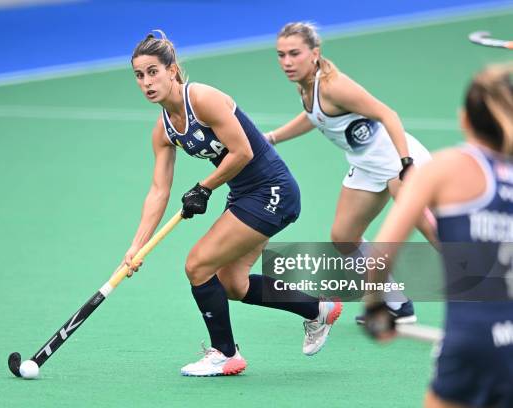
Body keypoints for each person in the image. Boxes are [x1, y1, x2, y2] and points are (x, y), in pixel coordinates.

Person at [124, 30, 342, 377]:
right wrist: (137, 246)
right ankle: (318, 309)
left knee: (197, 266)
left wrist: (204, 187)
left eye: (154, 71)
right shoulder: (163, 129)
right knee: (232, 284)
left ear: (173, 71)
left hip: (272, 190)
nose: (147, 82)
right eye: (139, 75)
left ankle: (225, 354)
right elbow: (158, 190)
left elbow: (243, 151)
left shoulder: (202, 99)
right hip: (245, 194)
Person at [265, 22, 438, 323]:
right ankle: (397, 303)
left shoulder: (334, 85)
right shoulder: (307, 85)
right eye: (281, 55)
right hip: (366, 165)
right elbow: (315, 116)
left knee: (436, 233)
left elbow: (387, 114)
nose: (287, 62)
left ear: (314, 53)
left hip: (396, 161)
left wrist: (406, 162)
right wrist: (274, 137)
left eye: (294, 53)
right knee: (344, 237)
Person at [364, 64, 513, 408]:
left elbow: (380, 254)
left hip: (471, 341)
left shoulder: (445, 168)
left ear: (464, 120)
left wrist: (376, 309)